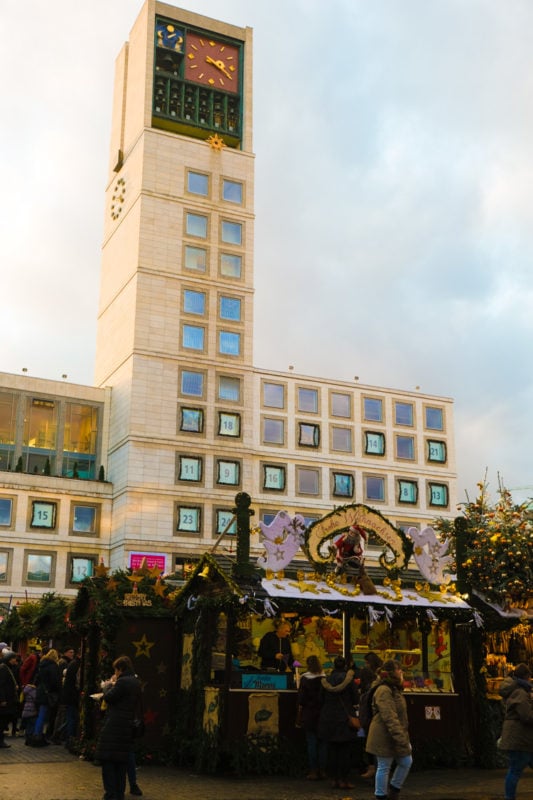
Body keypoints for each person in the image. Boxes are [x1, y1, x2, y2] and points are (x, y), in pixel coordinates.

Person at [95, 655, 141, 800]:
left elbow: (109, 697)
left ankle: (111, 793)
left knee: (108, 761)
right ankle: (119, 793)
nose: (115, 673)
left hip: (115, 725)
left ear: (120, 669)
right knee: (121, 762)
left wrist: (108, 685)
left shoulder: (122, 682)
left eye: (115, 670)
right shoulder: (135, 681)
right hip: (126, 725)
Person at [365, 658, 412, 800]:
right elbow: (389, 716)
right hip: (384, 734)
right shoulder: (384, 690)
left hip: (393, 732)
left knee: (405, 761)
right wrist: (400, 737)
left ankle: (393, 790)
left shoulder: (393, 688)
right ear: (393, 673)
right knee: (384, 766)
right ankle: (382, 795)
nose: (402, 672)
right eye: (399, 670)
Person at [317, 655, 359, 789]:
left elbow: (320, 699)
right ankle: (344, 779)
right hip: (345, 720)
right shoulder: (349, 681)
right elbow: (355, 700)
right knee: (345, 751)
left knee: (332, 750)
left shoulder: (326, 680)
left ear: (334, 666)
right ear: (345, 666)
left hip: (328, 719)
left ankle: (333, 778)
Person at [498, 662, 533, 800]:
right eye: (529, 676)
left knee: (515, 769)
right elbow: (526, 716)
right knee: (515, 770)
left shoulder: (516, 690)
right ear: (526, 677)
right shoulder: (520, 692)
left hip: (522, 739)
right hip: (520, 739)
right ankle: (509, 797)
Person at [297, 655, 327, 780]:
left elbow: (301, 699)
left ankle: (313, 770)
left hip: (309, 713)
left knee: (312, 743)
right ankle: (323, 770)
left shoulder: (304, 678)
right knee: (323, 743)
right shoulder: (324, 678)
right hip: (323, 713)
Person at [359, 651, 383, 779]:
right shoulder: (382, 680)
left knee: (370, 743)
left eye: (366, 662)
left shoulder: (367, 678)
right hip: (377, 717)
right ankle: (379, 770)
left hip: (370, 717)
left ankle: (374, 769)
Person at [31, 648, 62, 746]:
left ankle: (36, 733)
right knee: (43, 714)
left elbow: (37, 678)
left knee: (41, 713)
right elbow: (55, 681)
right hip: (48, 693)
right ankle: (38, 735)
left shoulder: (42, 665)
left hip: (41, 691)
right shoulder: (53, 667)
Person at [0, 650, 19, 748]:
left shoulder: (7, 668)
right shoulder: (3, 668)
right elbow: (1, 685)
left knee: (5, 719)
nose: (15, 660)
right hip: (6, 699)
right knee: (3, 719)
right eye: (13, 658)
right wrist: (2, 699)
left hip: (9, 698)